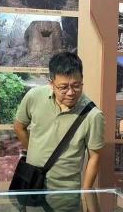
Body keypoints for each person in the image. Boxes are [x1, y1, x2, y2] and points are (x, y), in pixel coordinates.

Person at [13, 52, 104, 190]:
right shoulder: (34, 96)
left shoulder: (93, 115)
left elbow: (94, 157)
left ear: (82, 79)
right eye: (63, 87)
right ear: (51, 83)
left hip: (65, 191)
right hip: (32, 182)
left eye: (76, 85)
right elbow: (19, 126)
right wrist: (33, 153)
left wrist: (85, 194)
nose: (70, 92)